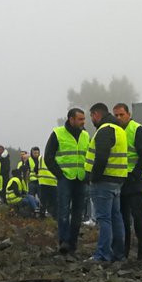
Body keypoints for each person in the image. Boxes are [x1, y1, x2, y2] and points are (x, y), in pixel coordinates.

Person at [84, 103, 129, 263]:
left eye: (91, 116)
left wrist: (93, 178)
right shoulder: (119, 130)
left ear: (96, 114)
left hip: (103, 181)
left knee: (104, 219)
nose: (91, 120)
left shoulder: (105, 130)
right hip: (117, 181)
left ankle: (103, 254)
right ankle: (118, 253)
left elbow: (101, 157)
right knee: (116, 218)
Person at [44, 108, 91, 254]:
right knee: (63, 211)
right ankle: (64, 241)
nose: (83, 122)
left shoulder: (85, 135)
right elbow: (48, 157)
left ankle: (73, 242)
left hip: (81, 179)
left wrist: (87, 175)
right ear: (71, 119)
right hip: (65, 178)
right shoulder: (58, 133)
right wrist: (59, 174)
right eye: (80, 119)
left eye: (84, 119)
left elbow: (89, 156)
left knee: (78, 213)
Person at [113, 102, 142, 263]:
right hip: (120, 179)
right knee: (122, 218)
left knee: (138, 217)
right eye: (115, 115)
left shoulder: (137, 130)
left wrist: (135, 175)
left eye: (121, 114)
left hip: (135, 181)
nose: (118, 118)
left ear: (128, 114)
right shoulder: (116, 131)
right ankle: (123, 252)